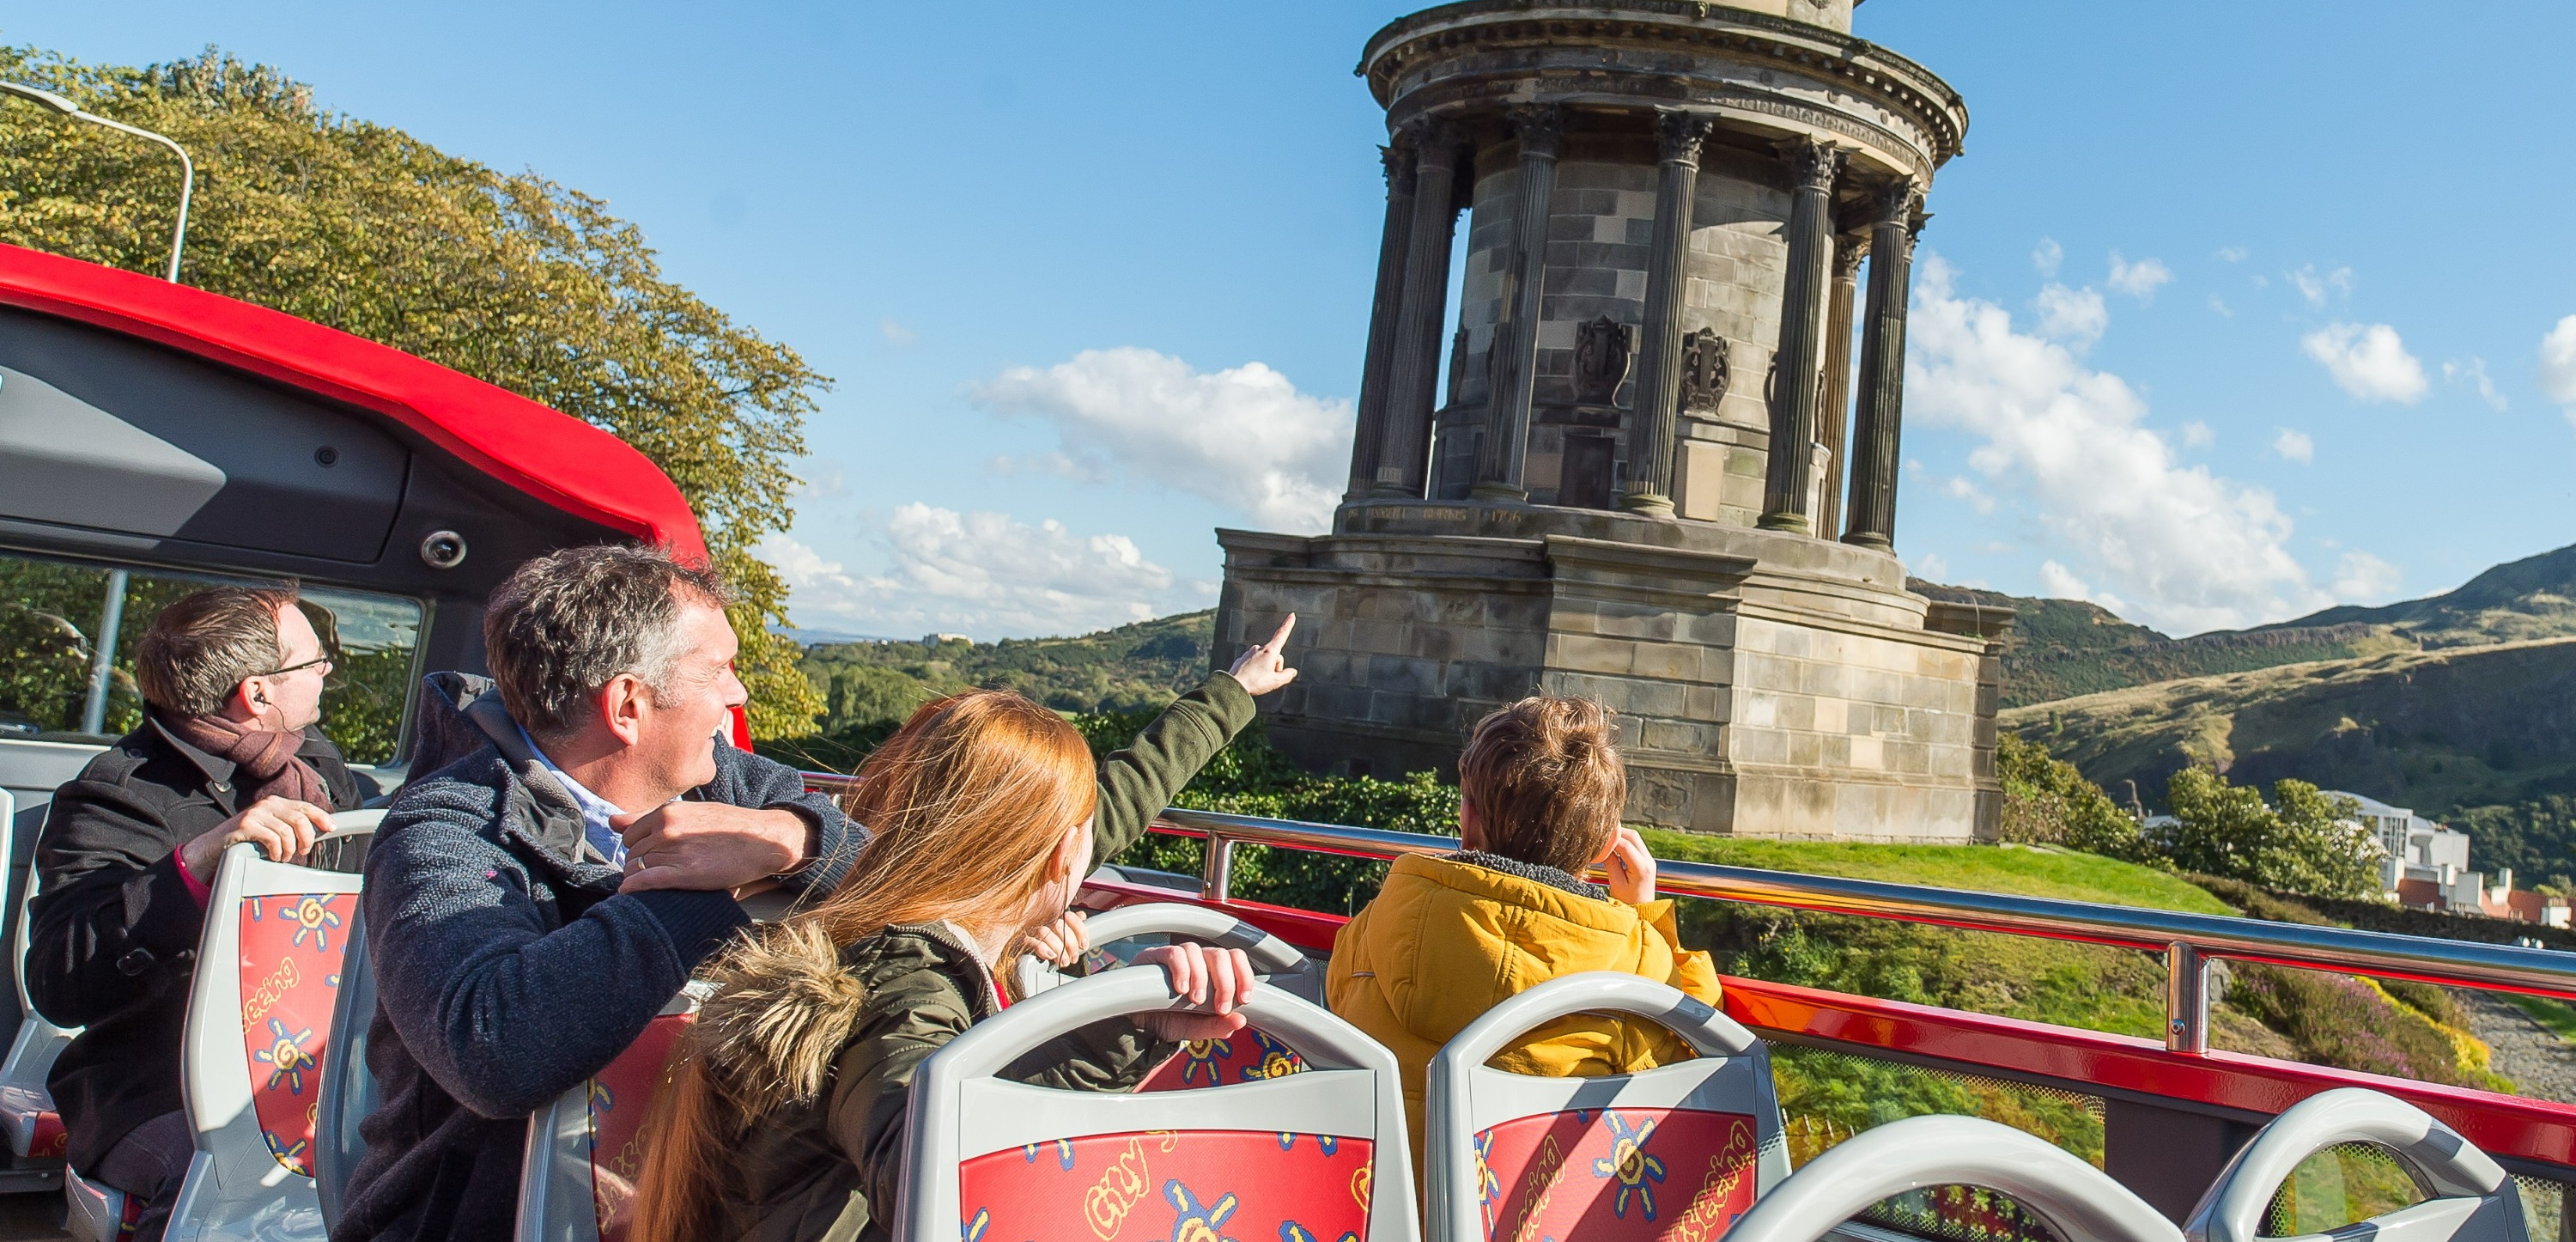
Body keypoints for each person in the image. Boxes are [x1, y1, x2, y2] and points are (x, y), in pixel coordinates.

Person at [629, 621, 1302, 1242]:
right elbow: (934, 1182)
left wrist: (1130, 1025)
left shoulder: (890, 922)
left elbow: (958, 1114)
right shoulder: (905, 976)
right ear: (1063, 855)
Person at [337, 545, 870, 1242]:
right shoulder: (444, 829)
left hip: (690, 1208)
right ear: (627, 704)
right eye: (718, 670)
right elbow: (494, 1047)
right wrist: (711, 888)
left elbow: (888, 865)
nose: (737, 694)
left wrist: (792, 839)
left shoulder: (729, 785)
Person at [30, 583, 366, 1242]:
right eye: (313, 662)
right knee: (214, 1190)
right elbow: (59, 979)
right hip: (157, 1080)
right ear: (257, 693)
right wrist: (195, 866)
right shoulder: (118, 793)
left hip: (315, 1068)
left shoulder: (316, 763)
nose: (327, 671)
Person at [1325, 694, 1723, 1184]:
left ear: (1467, 818)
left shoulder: (1380, 920)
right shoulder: (1635, 963)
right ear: (1606, 844)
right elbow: (1700, 1055)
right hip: (1531, 1218)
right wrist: (1644, 916)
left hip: (1371, 1205)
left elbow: (1336, 1001)